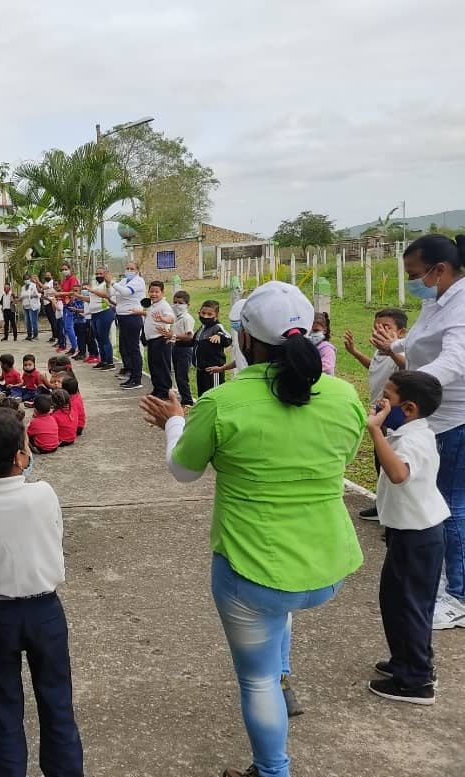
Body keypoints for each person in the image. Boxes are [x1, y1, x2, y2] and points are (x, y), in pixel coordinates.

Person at [139, 280, 365, 777]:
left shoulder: (226, 402)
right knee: (280, 609)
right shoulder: (345, 396)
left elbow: (183, 470)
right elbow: (342, 460)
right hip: (326, 567)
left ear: (245, 340)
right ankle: (284, 674)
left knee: (255, 679)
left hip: (254, 570)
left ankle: (272, 770)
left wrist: (176, 421)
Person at [0, 408, 83, 776]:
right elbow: (55, 536)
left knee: (6, 711)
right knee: (57, 705)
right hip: (44, 610)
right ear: (20, 457)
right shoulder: (43, 493)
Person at [373, 233, 465, 630]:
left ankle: (458, 595)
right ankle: (446, 580)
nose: (413, 281)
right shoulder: (436, 301)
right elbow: (418, 345)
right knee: (437, 502)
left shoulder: (461, 305)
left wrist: (408, 390)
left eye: (416, 274)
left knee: (450, 506)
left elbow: (453, 362)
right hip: (433, 417)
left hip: (453, 419)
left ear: (439, 269)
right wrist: (395, 347)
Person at [366, 371, 447, 705]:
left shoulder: (413, 440)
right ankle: (408, 660)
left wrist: (374, 430)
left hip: (418, 536)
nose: (381, 401)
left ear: (409, 408)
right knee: (397, 601)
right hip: (410, 532)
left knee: (409, 605)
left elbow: (399, 474)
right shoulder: (410, 431)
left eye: (388, 396)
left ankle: (416, 680)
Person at [344, 308, 408, 520]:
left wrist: (391, 350)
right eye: (376, 327)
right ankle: (383, 507)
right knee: (379, 463)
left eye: (386, 328)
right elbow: (374, 367)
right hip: (378, 413)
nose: (379, 331)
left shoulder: (402, 354)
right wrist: (354, 352)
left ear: (401, 333)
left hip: (395, 415)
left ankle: (396, 517)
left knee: (393, 464)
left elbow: (408, 367)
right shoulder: (380, 352)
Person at [180, 300, 232, 399]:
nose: (205, 316)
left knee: (214, 396)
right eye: (203, 313)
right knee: (203, 396)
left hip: (214, 370)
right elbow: (193, 342)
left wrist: (219, 336)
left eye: (209, 314)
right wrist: (175, 339)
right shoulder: (201, 328)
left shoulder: (217, 327)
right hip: (201, 370)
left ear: (216, 316)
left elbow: (229, 338)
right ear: (199, 312)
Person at [106, 261, 147, 387]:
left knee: (133, 348)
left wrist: (112, 282)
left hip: (132, 317)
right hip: (122, 316)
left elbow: (125, 292)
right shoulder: (124, 281)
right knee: (125, 347)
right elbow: (110, 294)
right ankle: (131, 373)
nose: (129, 270)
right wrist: (108, 284)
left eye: (132, 268)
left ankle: (137, 378)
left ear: (137, 270)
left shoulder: (138, 281)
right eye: (127, 268)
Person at [134, 281, 175, 397]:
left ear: (162, 292)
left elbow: (171, 318)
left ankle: (165, 391)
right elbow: (150, 314)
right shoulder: (153, 304)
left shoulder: (164, 305)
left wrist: (163, 319)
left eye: (157, 292)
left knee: (162, 366)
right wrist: (141, 312)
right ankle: (157, 389)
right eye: (151, 291)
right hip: (151, 340)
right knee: (153, 366)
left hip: (161, 339)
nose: (154, 294)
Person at [86, 267, 116, 370]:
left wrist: (92, 290)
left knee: (104, 337)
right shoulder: (96, 285)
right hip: (94, 313)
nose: (98, 276)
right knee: (98, 338)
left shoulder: (107, 285)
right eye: (97, 274)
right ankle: (103, 360)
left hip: (104, 312)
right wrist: (77, 295)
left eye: (101, 274)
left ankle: (110, 362)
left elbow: (107, 295)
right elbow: (91, 298)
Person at [170, 291, 196, 407]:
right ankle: (183, 398)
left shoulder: (187, 318)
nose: (177, 305)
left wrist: (174, 336)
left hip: (185, 349)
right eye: (175, 302)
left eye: (180, 303)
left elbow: (189, 335)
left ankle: (187, 400)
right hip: (176, 347)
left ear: (187, 305)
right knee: (177, 375)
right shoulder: (177, 317)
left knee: (182, 376)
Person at [57, 262, 80, 356]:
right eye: (62, 270)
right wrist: (58, 295)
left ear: (70, 269)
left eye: (66, 269)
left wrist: (59, 294)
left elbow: (72, 292)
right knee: (66, 328)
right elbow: (63, 292)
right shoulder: (64, 280)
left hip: (71, 305)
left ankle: (76, 347)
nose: (64, 271)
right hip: (65, 304)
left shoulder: (73, 279)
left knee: (68, 327)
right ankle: (73, 347)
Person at [41, 271, 61, 344]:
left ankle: (56, 336)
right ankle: (54, 336)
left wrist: (37, 280)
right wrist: (36, 283)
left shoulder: (51, 282)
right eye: (46, 275)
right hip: (46, 303)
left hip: (51, 303)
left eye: (48, 275)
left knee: (54, 321)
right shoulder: (46, 283)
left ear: (51, 276)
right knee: (51, 321)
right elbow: (41, 290)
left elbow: (44, 288)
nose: (47, 276)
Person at [19, 274, 41, 341]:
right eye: (25, 279)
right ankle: (29, 335)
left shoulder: (33, 285)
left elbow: (38, 294)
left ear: (30, 279)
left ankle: (35, 336)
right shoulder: (23, 287)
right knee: (27, 322)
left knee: (33, 321)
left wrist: (34, 296)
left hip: (33, 306)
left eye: (27, 278)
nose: (26, 280)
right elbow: (22, 296)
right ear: (23, 280)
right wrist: (17, 300)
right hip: (26, 306)